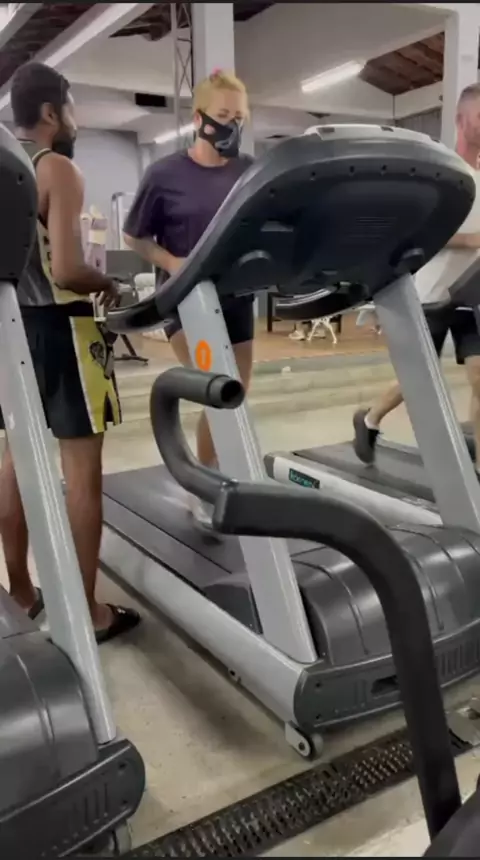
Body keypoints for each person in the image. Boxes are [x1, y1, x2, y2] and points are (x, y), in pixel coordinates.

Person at [0, 61, 140, 641]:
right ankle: (87, 613)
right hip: (64, 329)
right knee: (82, 474)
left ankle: (20, 589)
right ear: (51, 113)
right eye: (72, 106)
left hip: (12, 330)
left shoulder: (6, 165)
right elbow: (66, 269)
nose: (75, 117)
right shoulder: (57, 167)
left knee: (14, 458)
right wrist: (109, 284)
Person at [124, 69, 254, 531]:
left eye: (239, 117)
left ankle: (214, 470)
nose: (232, 125)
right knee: (218, 389)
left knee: (237, 393)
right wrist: (172, 262)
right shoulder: (165, 175)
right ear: (199, 119)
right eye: (223, 115)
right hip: (186, 301)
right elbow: (134, 236)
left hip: (236, 296)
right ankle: (204, 488)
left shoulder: (249, 171)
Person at [353, 83, 480, 467]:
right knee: (417, 379)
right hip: (430, 294)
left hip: (471, 294)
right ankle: (370, 418)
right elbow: (418, 233)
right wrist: (471, 240)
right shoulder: (445, 174)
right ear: (460, 120)